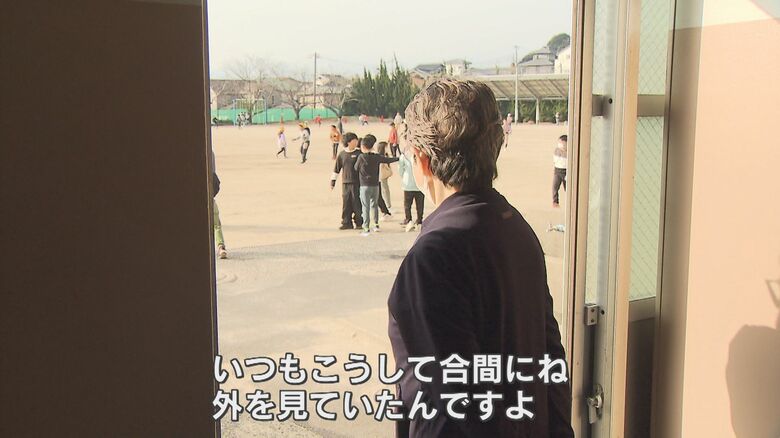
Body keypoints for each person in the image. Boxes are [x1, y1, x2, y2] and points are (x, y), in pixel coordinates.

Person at [388, 79, 573, 437]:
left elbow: (453, 406)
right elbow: (552, 361)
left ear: (422, 161)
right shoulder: (515, 227)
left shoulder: (434, 256)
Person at [353, 134, 398, 235]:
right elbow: (388, 160)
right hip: (375, 185)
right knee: (374, 205)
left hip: (364, 185)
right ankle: (376, 225)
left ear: (363, 146)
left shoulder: (361, 157)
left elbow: (356, 168)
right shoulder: (376, 157)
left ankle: (366, 228)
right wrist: (399, 158)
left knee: (365, 207)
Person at [331, 132, 363, 230]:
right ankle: (346, 222)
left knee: (357, 203)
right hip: (345, 183)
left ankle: (359, 222)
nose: (356, 141)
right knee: (346, 203)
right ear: (348, 142)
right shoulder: (342, 154)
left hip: (357, 183)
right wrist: (333, 181)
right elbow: (336, 169)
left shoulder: (359, 153)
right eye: (354, 140)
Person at [398, 145, 424, 232]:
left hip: (408, 184)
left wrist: (404, 176)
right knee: (420, 204)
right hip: (420, 184)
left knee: (407, 204)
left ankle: (408, 219)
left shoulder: (404, 156)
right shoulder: (421, 155)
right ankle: (419, 220)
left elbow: (400, 169)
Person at [210, 150, 227, 259]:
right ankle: (221, 247)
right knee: (216, 225)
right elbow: (215, 180)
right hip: (210, 197)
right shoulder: (211, 153)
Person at [376, 141, 394, 219]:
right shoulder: (379, 156)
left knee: (385, 190)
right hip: (381, 176)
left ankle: (388, 205)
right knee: (384, 190)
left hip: (383, 175)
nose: (388, 148)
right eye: (386, 147)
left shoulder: (384, 155)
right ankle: (388, 206)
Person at [552, 134, 568, 208]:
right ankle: (555, 202)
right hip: (557, 171)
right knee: (555, 187)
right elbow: (555, 160)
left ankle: (569, 201)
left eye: (561, 143)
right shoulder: (557, 150)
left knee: (567, 188)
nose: (560, 144)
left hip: (566, 171)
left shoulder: (569, 152)